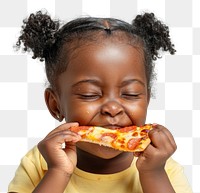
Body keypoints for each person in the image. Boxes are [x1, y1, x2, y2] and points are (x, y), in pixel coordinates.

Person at [8, 10, 192, 193]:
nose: (112, 108)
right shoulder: (38, 164)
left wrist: (154, 173)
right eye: (89, 94)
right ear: (55, 105)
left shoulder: (163, 167)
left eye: (131, 94)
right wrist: (58, 172)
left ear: (147, 99)